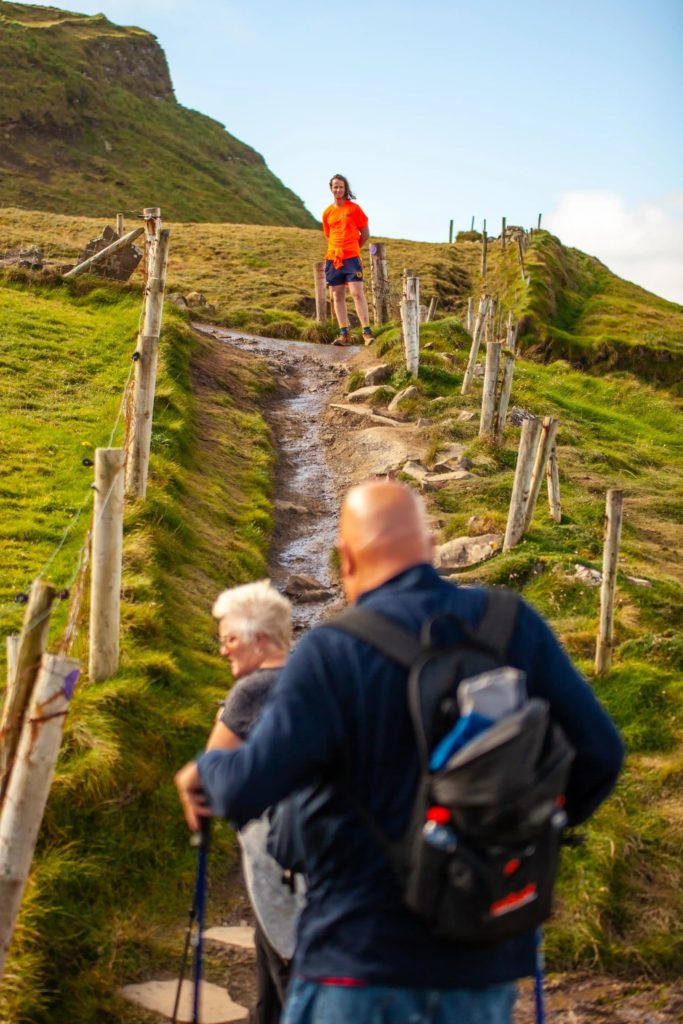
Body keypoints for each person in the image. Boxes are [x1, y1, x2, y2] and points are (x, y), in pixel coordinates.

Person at [176, 481, 625, 1024]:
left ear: (346, 562)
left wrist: (208, 769)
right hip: (480, 957)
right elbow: (600, 755)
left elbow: (249, 788)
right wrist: (519, 827)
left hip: (357, 958)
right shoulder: (510, 625)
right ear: (432, 548)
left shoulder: (330, 652)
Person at [202, 579, 299, 1024]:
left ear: (257, 640)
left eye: (228, 639)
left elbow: (210, 774)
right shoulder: (310, 678)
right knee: (272, 981)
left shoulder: (251, 692)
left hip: (276, 860)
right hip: (320, 856)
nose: (223, 650)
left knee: (287, 982)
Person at [322, 174, 375, 346]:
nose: (338, 189)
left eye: (341, 187)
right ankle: (344, 334)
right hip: (333, 258)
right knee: (337, 296)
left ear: (346, 189)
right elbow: (328, 235)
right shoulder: (327, 213)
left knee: (357, 294)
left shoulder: (354, 209)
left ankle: (367, 332)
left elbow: (365, 233)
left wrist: (353, 248)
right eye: (335, 187)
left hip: (352, 258)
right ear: (331, 189)